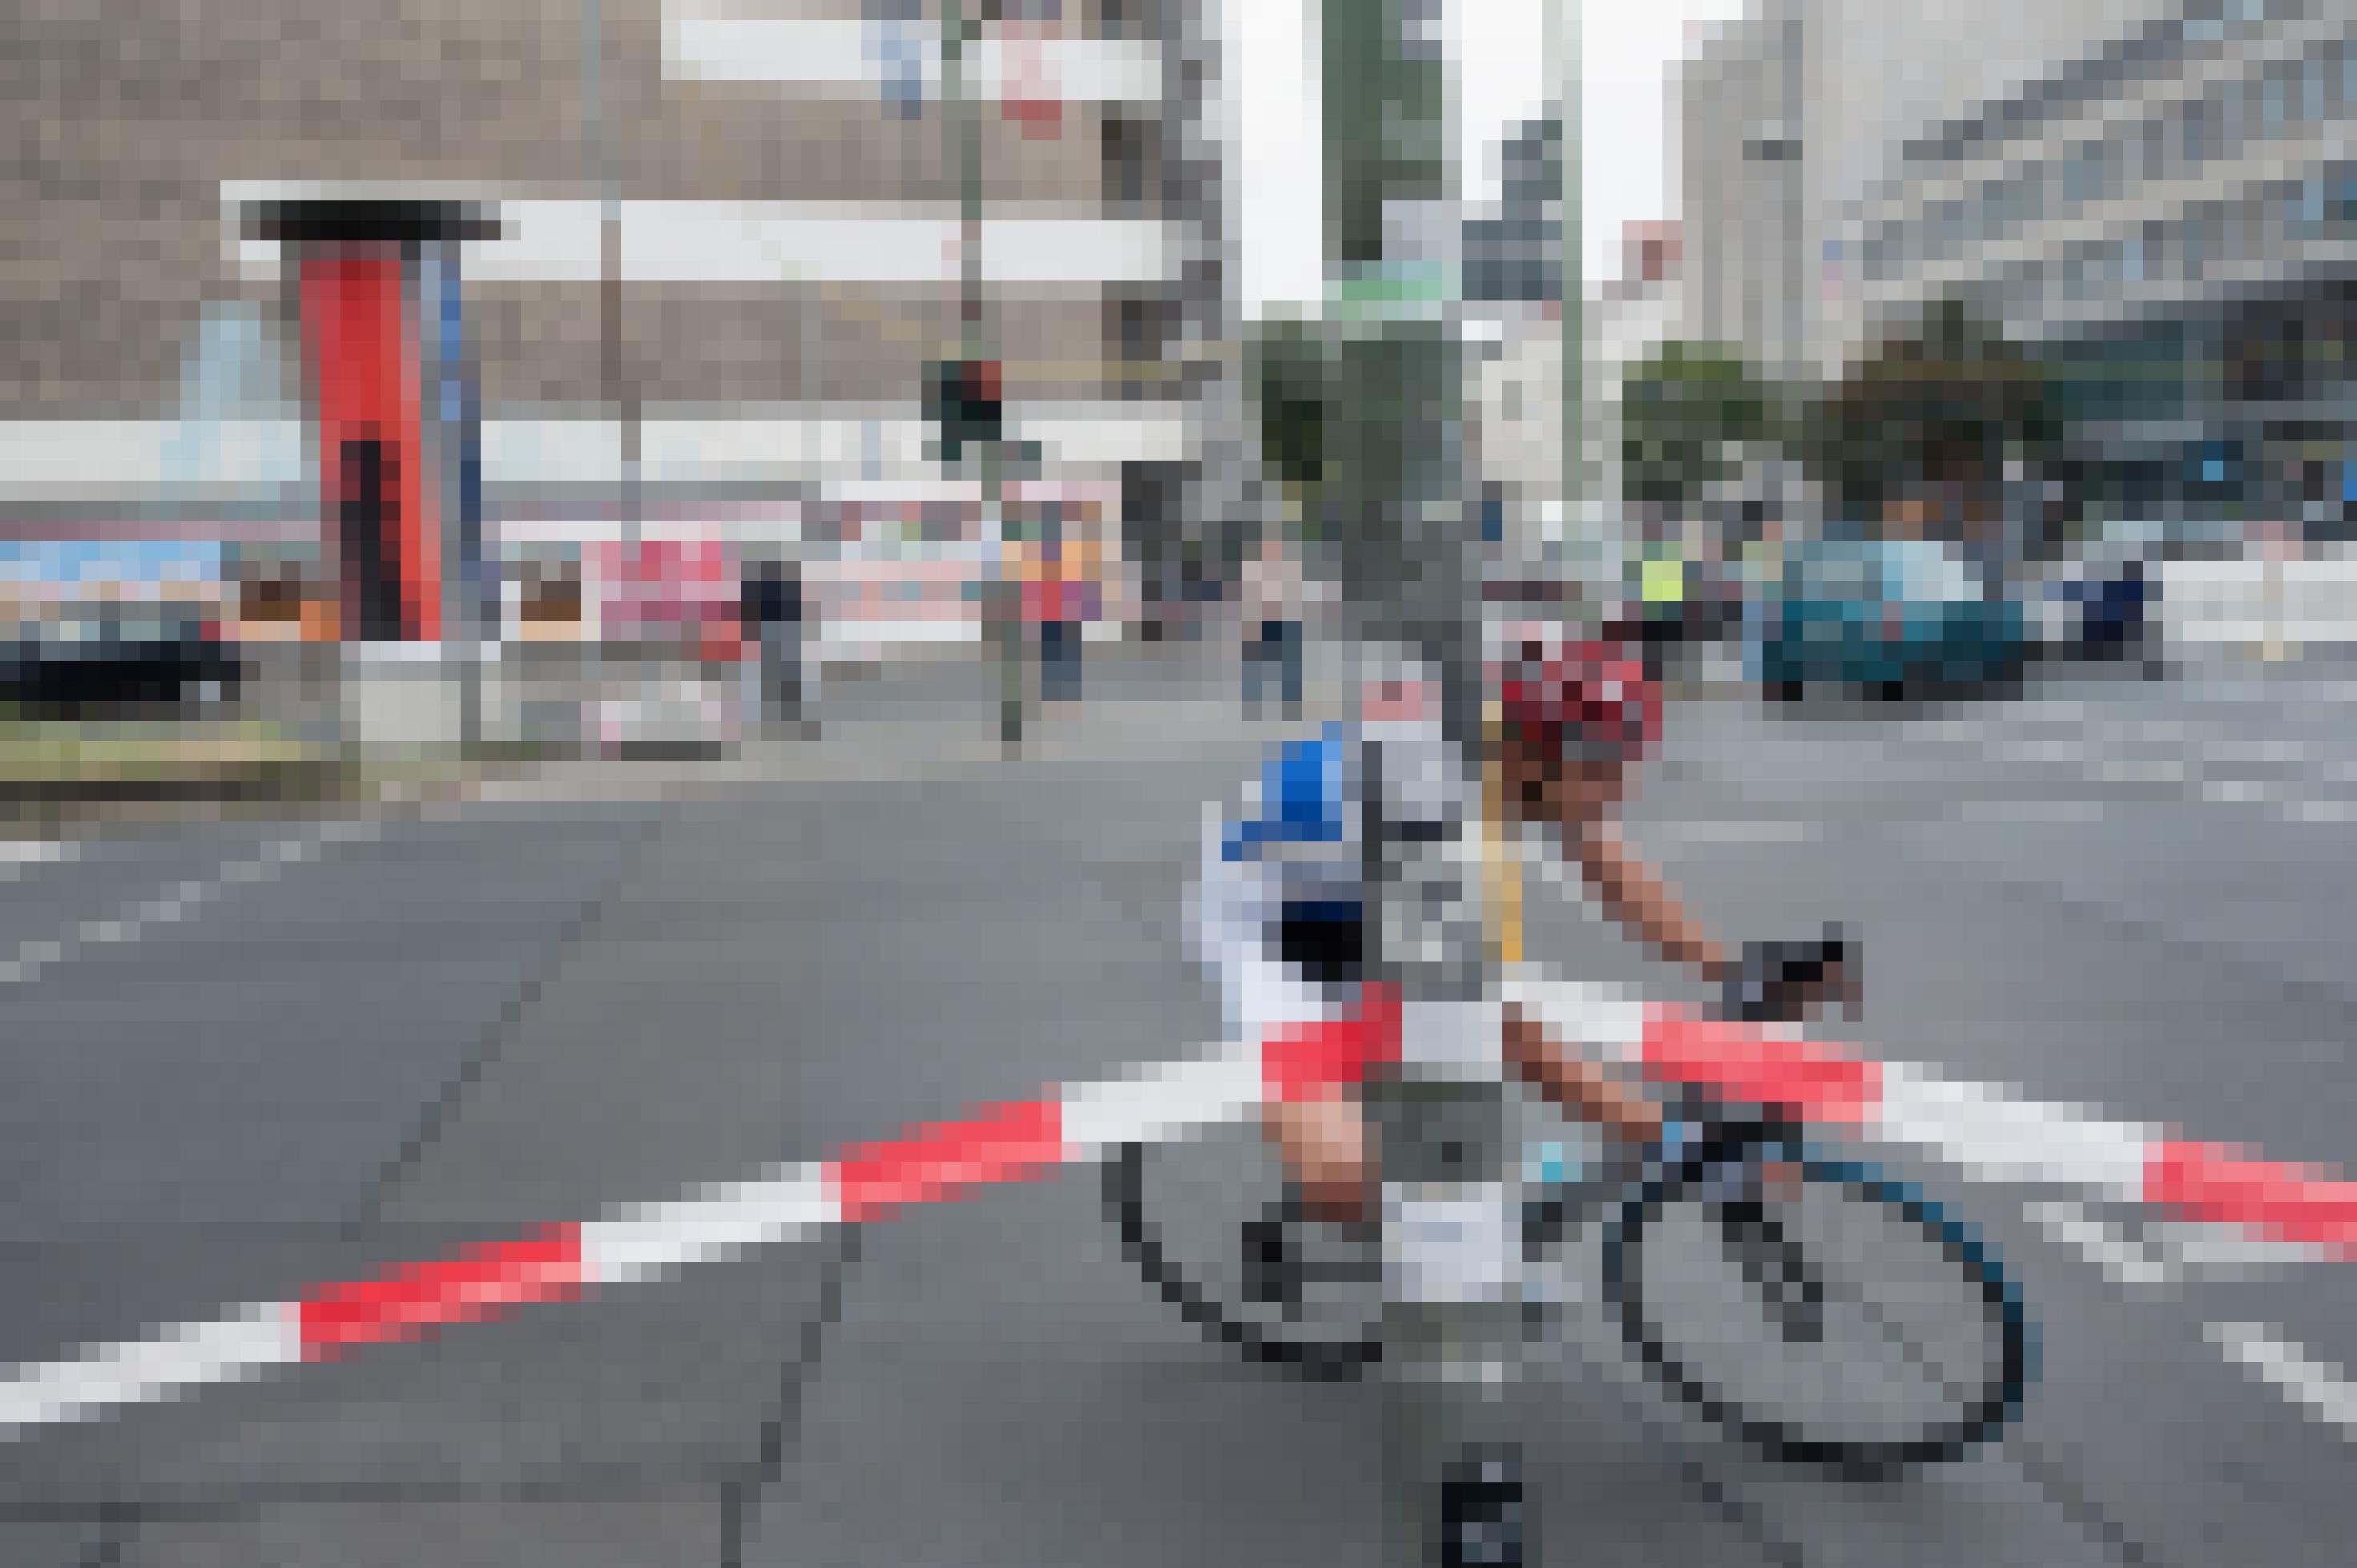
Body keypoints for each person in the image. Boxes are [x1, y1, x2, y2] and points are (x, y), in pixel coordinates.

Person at [1191, 614, 1852, 1291]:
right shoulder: (1428, 821)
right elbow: (1500, 1024)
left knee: (1469, 1061)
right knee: (1338, 1166)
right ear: (1531, 754)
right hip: (1272, 923)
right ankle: (1431, 1259)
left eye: (1624, 763)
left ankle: (1451, 1192)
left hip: (1367, 897)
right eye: (1601, 769)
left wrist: (1731, 968)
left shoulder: (1515, 758)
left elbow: (1598, 852)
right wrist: (1678, 1141)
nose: (1617, 789)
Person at [1240, 533, 1305, 719]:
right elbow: (1249, 595)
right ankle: (1253, 705)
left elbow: (1295, 594)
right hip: (1259, 621)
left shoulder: (1290, 566)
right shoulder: (1253, 567)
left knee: (1288, 666)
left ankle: (1290, 705)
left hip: (1287, 622)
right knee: (1256, 664)